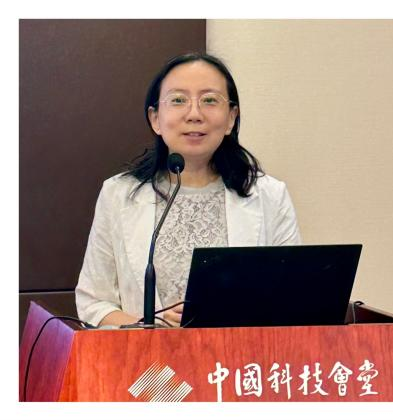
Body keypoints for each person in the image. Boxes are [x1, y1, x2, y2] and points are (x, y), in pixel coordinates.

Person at [75, 53, 301, 327]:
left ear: (231, 118)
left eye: (210, 100)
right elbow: (93, 303)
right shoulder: (118, 194)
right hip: (147, 355)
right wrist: (148, 325)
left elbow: (291, 300)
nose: (194, 114)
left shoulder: (270, 196)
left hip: (239, 354)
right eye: (178, 100)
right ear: (155, 118)